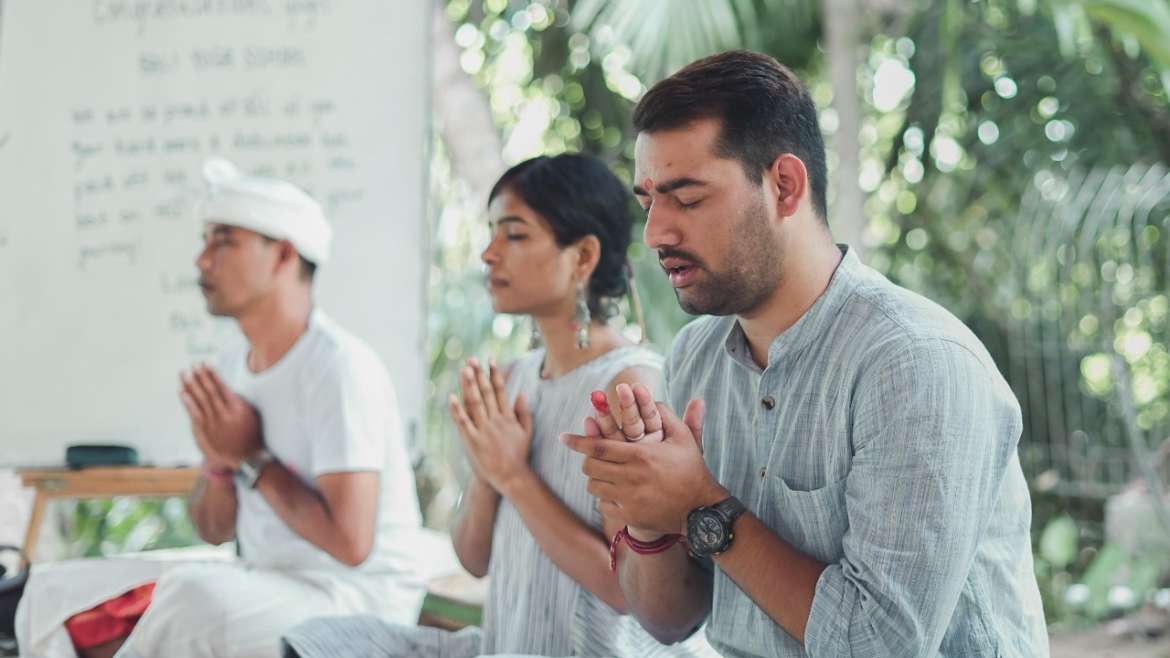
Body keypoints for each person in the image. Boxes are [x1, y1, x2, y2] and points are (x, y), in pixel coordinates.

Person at [562, 50, 1049, 657]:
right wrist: (648, 514)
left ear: (785, 186)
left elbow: (877, 646)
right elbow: (669, 622)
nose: (657, 232)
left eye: (686, 198)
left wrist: (700, 503)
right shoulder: (696, 355)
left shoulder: (916, 364)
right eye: (648, 202)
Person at [283, 154, 716, 658]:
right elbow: (473, 558)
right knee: (321, 642)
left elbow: (628, 593)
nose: (488, 254)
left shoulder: (626, 386)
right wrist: (488, 472)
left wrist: (514, 476)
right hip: (503, 645)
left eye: (513, 234)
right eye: (491, 233)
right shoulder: (513, 379)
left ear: (582, 257)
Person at [16, 159, 426, 658]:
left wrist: (250, 456)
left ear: (282, 256)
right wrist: (218, 463)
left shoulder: (338, 369)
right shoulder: (233, 364)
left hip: (356, 602)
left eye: (223, 241)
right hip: (266, 581)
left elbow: (352, 544)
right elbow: (213, 529)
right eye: (205, 240)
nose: (202, 260)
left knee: (192, 600)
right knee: (62, 589)